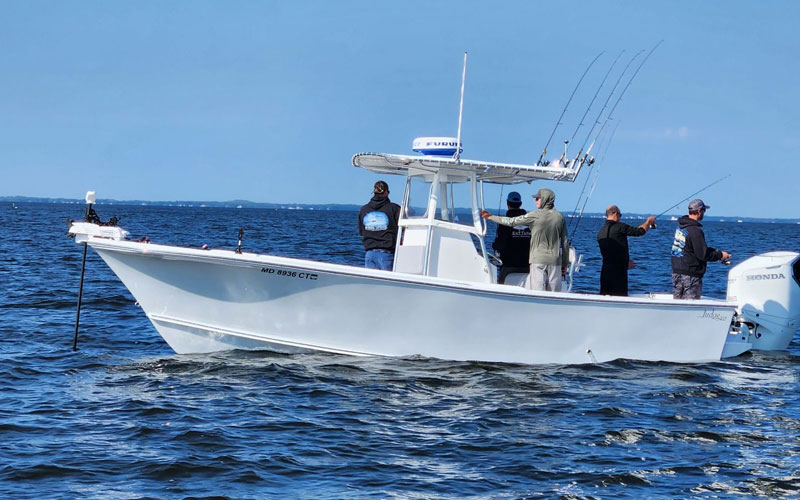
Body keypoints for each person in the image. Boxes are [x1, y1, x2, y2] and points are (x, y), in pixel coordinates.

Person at [481, 187, 568, 291]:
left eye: (537, 198)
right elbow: (565, 242)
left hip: (538, 260)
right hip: (555, 262)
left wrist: (490, 217)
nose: (535, 201)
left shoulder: (534, 215)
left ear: (544, 199)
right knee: (554, 294)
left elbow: (511, 222)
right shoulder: (560, 217)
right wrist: (565, 263)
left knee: (537, 293)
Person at [670, 199, 731, 299]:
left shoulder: (681, 228)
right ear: (699, 211)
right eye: (704, 210)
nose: (704, 213)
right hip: (690, 276)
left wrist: (716, 252)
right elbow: (703, 254)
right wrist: (721, 255)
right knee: (690, 307)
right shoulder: (695, 231)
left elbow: (693, 249)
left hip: (677, 273)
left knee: (678, 304)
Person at [597, 205, 656, 296]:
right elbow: (639, 231)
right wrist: (648, 222)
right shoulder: (620, 227)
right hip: (618, 273)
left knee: (605, 296)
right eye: (620, 215)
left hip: (605, 271)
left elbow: (612, 252)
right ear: (616, 214)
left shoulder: (601, 231)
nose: (620, 218)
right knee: (619, 296)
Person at [358, 180, 401, 270]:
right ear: (386, 192)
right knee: (388, 283)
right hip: (386, 254)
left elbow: (361, 231)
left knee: (371, 283)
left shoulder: (363, 210)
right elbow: (402, 229)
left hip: (369, 254)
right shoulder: (394, 209)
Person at [491, 191, 531, 284]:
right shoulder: (530, 222)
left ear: (508, 204)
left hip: (509, 265)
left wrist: (494, 246)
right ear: (520, 204)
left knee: (502, 286)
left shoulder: (504, 223)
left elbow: (500, 244)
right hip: (527, 266)